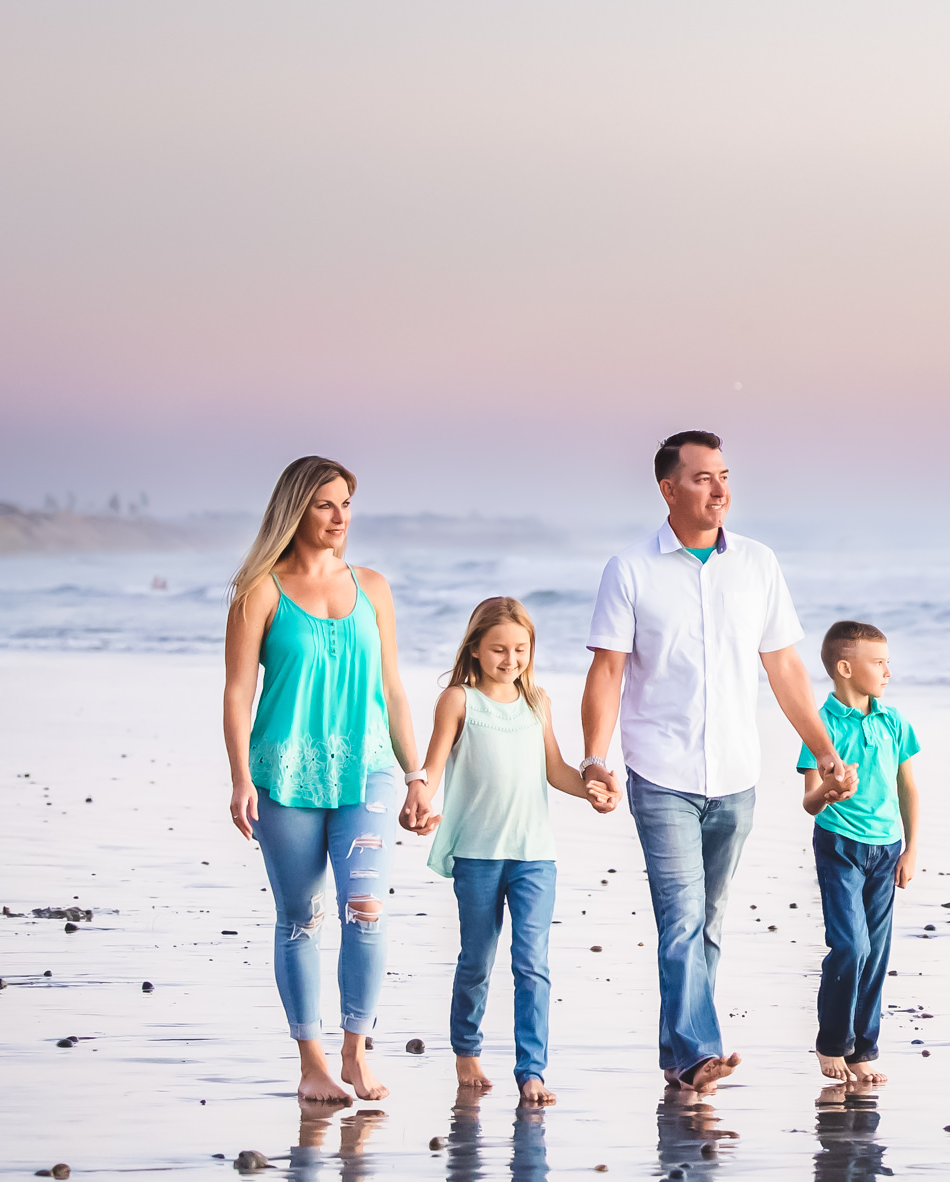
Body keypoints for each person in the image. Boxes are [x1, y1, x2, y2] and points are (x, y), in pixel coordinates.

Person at [581, 430, 856, 1092]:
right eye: (703, 477)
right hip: (660, 771)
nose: (720, 488)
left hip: (736, 775)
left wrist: (824, 750)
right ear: (668, 489)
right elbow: (608, 671)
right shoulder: (631, 570)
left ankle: (680, 1060)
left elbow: (785, 667)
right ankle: (702, 1049)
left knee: (707, 925)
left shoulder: (758, 564)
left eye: (725, 475)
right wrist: (594, 757)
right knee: (680, 919)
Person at [222, 455, 428, 1104]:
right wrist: (238, 778)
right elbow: (235, 693)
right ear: (295, 510)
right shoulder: (260, 590)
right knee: (299, 918)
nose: (339, 517)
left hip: (366, 769)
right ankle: (312, 1063)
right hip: (283, 776)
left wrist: (417, 773)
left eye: (345, 504)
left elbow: (393, 687)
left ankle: (355, 1050)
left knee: (365, 908)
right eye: (325, 504)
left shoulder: (373, 586)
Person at [402, 597, 618, 1106]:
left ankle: (532, 1071)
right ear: (475, 649)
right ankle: (467, 1049)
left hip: (534, 855)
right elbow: (433, 768)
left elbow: (555, 769)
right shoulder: (459, 700)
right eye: (499, 649)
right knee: (477, 959)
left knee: (532, 963)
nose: (510, 659)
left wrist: (589, 788)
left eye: (520, 649)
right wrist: (419, 797)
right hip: (477, 854)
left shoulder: (536, 701)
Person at [799, 620, 922, 1085]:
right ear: (846, 668)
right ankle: (832, 1042)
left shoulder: (895, 722)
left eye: (888, 662)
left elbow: (907, 786)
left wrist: (911, 849)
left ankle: (863, 1048)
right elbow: (809, 801)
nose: (888, 671)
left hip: (887, 848)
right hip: (839, 845)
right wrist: (829, 792)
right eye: (879, 663)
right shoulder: (821, 725)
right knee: (851, 946)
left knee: (877, 953)